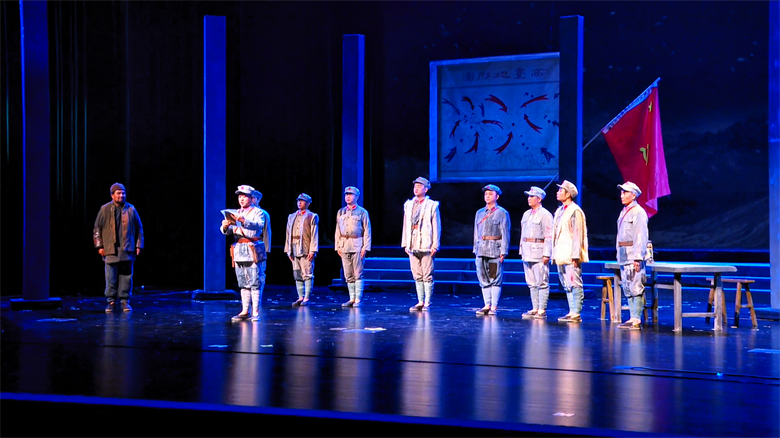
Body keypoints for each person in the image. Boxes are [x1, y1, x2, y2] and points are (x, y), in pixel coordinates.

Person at [93, 182, 144, 313]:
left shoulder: (131, 209)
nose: (121, 195)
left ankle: (124, 301)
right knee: (111, 277)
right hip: (110, 249)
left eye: (123, 193)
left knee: (126, 277)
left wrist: (139, 245)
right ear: (112, 195)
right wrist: (99, 246)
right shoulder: (104, 209)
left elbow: (139, 229)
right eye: (119, 193)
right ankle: (110, 301)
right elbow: (97, 229)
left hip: (127, 249)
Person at [221, 185, 267, 321]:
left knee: (254, 281)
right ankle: (245, 310)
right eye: (240, 196)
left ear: (251, 198)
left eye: (244, 196)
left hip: (252, 248)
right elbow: (228, 231)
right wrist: (225, 227)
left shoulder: (258, 212)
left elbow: (258, 225)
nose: (241, 199)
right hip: (239, 249)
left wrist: (243, 220)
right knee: (242, 282)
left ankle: (255, 312)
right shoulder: (235, 212)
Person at [552, 180, 589, 323]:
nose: (558, 192)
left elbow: (578, 234)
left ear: (568, 194)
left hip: (570, 253)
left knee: (574, 282)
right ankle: (571, 311)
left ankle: (576, 313)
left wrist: (575, 255)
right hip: (561, 252)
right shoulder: (560, 211)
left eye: (560, 190)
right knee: (566, 283)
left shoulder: (575, 211)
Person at [402, 177, 441, 311]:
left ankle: (427, 302)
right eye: (415, 186)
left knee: (427, 273)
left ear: (426, 189)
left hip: (426, 243)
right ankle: (420, 301)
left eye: (419, 186)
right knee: (416, 273)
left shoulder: (431, 205)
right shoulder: (409, 205)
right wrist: (405, 243)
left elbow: (436, 226)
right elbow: (405, 225)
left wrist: (435, 244)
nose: (416, 189)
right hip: (412, 242)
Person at [615, 181, 649, 330]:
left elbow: (640, 235)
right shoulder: (624, 211)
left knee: (636, 286)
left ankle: (636, 318)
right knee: (627, 286)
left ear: (633, 195)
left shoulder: (638, 212)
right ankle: (631, 316)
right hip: (624, 254)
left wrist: (638, 257)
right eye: (621, 192)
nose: (622, 195)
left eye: (625, 192)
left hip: (632, 254)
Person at [473, 184, 510, 315]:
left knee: (494, 277)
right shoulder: (479, 213)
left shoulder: (501, 213)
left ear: (497, 196)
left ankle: (493, 306)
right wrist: (475, 248)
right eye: (486, 194)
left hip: (494, 250)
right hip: (481, 249)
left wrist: (503, 251)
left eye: (490, 194)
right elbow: (476, 232)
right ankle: (486, 304)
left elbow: (505, 233)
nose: (487, 196)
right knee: (483, 278)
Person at [519, 186, 553, 319]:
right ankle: (534, 308)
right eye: (528, 196)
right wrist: (521, 250)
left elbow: (549, 235)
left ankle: (542, 309)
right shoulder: (526, 214)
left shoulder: (545, 214)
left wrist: (547, 253)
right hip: (527, 252)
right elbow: (523, 234)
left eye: (532, 196)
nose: (529, 198)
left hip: (539, 252)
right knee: (531, 282)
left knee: (542, 281)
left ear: (539, 199)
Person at [335, 186, 372, 307]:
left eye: (350, 195)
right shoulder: (341, 212)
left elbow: (367, 230)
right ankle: (351, 298)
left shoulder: (362, 212)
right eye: (346, 194)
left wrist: (365, 247)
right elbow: (338, 230)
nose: (348, 197)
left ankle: (358, 299)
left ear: (357, 197)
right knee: (348, 273)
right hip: (344, 245)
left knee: (358, 273)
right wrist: (338, 246)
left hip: (357, 244)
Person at [284, 193, 319, 306]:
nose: (299, 203)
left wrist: (312, 250)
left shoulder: (312, 216)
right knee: (297, 273)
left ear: (308, 203)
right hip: (294, 247)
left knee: (307, 273)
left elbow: (314, 234)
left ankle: (307, 297)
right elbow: (288, 234)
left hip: (305, 247)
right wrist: (288, 250)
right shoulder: (291, 216)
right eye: (298, 200)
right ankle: (300, 296)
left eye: (302, 201)